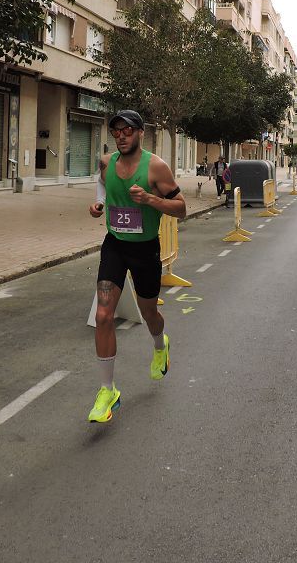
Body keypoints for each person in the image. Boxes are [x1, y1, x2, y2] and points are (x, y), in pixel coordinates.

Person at [87, 110, 186, 423]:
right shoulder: (106, 162)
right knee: (104, 314)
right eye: (116, 130)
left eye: (128, 130)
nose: (121, 135)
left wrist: (149, 200)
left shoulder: (156, 166)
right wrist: (99, 203)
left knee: (149, 313)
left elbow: (181, 208)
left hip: (145, 249)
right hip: (115, 244)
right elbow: (102, 183)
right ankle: (107, 391)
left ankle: (160, 345)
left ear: (141, 133)